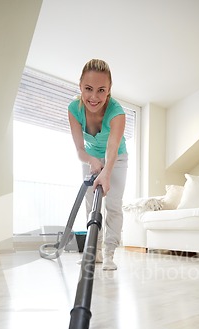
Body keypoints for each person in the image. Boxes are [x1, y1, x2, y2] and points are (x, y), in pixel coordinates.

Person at [68, 59, 128, 270]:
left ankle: (109, 254)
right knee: (91, 204)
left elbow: (112, 147)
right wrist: (92, 160)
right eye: (88, 89)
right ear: (80, 86)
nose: (94, 97)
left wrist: (107, 171)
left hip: (117, 158)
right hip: (90, 157)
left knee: (112, 204)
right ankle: (94, 253)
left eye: (101, 90)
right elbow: (79, 150)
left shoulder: (117, 112)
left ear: (109, 90)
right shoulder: (74, 109)